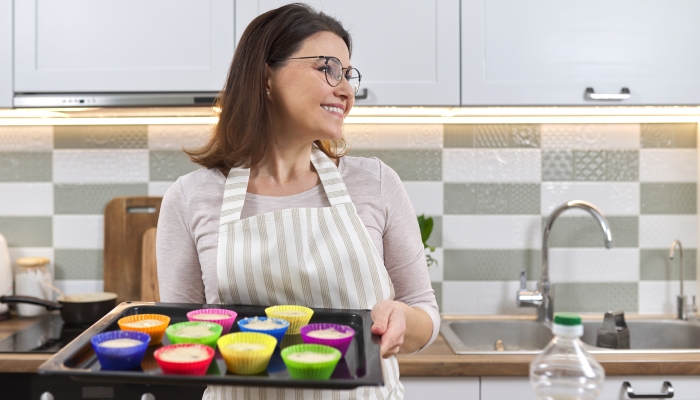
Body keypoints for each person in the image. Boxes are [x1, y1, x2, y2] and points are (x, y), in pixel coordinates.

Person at [156, 3, 439, 399]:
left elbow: (423, 309)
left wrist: (404, 319)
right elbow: (185, 336)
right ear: (265, 76)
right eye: (328, 69)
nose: (346, 89)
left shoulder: (375, 182)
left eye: (349, 74)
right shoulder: (190, 198)